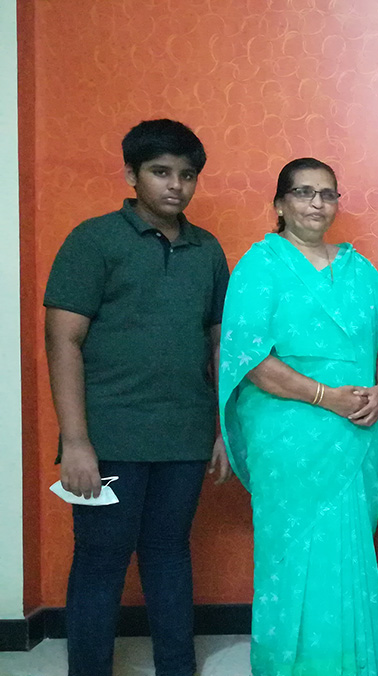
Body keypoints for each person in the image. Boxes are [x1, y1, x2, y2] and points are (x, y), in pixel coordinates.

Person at [44, 119, 230, 676]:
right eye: (160, 172)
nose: (175, 185)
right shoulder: (93, 240)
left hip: (184, 435)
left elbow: (219, 347)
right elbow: (63, 340)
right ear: (132, 174)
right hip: (110, 436)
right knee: (101, 560)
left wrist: (222, 428)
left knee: (169, 555)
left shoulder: (207, 249)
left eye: (187, 175)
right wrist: (76, 442)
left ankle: (177, 666)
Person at [219, 158, 378, 675]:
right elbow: (249, 359)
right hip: (288, 431)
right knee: (291, 551)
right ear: (279, 204)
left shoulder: (359, 268)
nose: (317, 203)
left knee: (351, 546)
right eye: (303, 192)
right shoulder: (261, 263)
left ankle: (355, 664)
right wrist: (325, 396)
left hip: (358, 429)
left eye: (328, 194)